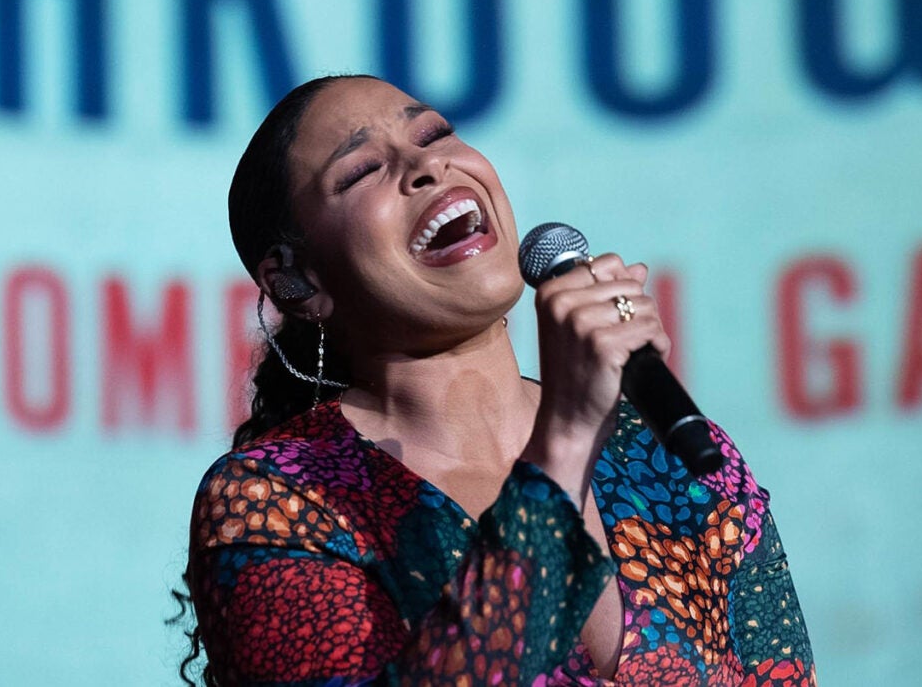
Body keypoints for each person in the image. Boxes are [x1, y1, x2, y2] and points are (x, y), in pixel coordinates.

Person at [180, 75, 816, 686]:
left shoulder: (673, 457)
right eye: (362, 171)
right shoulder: (277, 500)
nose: (428, 167)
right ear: (297, 283)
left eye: (434, 135)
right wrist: (565, 440)